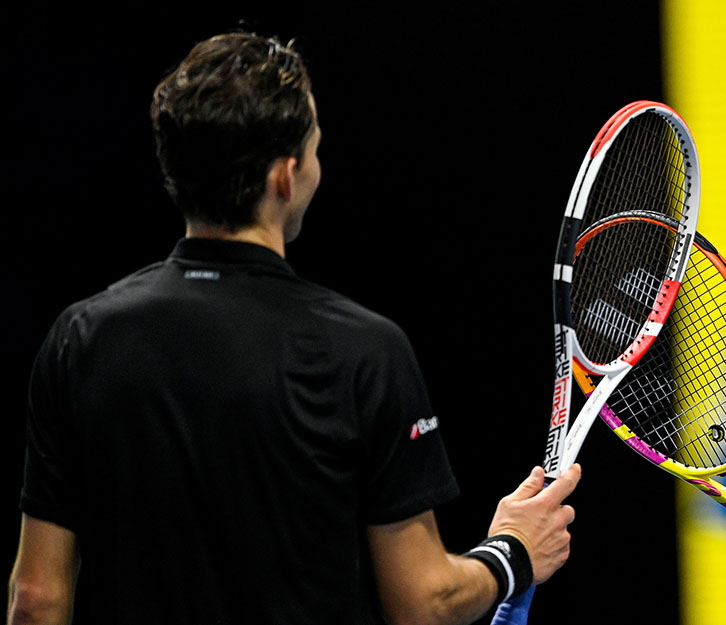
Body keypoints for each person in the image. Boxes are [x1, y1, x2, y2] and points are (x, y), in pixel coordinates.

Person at [6, 32, 579, 625]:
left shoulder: (80, 340)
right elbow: (424, 602)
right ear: (286, 176)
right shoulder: (364, 351)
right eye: (315, 148)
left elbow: (37, 600)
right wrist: (513, 552)